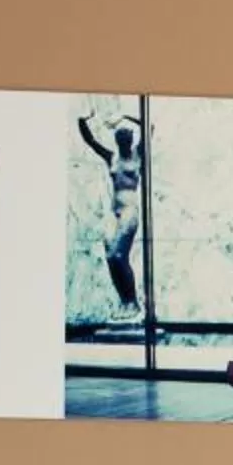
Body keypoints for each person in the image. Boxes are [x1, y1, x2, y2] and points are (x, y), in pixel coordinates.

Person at [78, 110, 145, 313]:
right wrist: (83, 120)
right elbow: (91, 141)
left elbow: (149, 126)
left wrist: (125, 116)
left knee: (118, 255)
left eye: (126, 138)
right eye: (120, 139)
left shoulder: (138, 155)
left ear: (131, 140)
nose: (123, 142)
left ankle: (133, 302)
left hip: (129, 210)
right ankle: (124, 302)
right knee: (110, 257)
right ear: (117, 141)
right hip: (115, 211)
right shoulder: (112, 157)